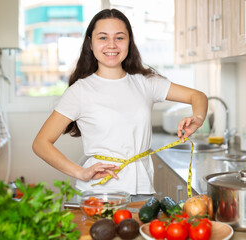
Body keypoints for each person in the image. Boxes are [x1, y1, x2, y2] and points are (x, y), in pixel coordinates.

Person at [32, 8, 208, 202]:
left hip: (142, 189)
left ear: (129, 42)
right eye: (103, 38)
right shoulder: (80, 91)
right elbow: (41, 143)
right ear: (90, 43)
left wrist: (198, 117)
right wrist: (80, 172)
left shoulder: (146, 82)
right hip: (97, 194)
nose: (112, 45)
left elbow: (197, 96)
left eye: (119, 38)